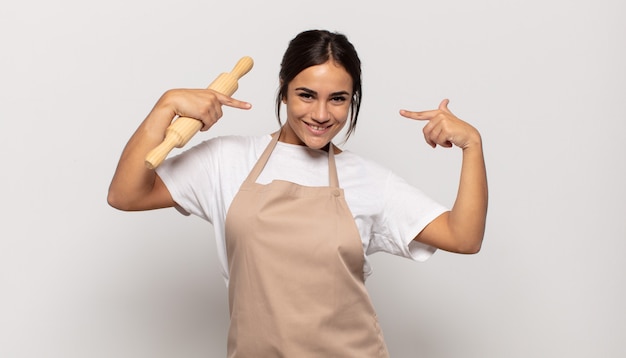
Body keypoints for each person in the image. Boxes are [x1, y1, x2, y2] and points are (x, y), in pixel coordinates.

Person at [108, 29, 488, 357]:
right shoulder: (226, 161)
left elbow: (463, 237)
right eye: (306, 95)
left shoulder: (368, 180)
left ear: (352, 99)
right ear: (283, 89)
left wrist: (472, 146)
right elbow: (126, 195)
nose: (321, 114)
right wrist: (165, 107)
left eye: (338, 99)